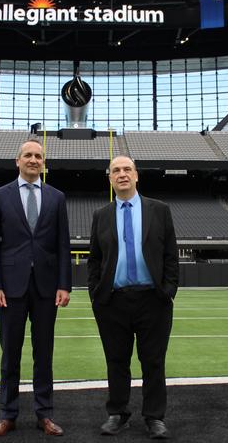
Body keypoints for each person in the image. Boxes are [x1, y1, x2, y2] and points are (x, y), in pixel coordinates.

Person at [0, 139, 72, 438]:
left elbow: (63, 245)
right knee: (10, 353)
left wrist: (64, 284)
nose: (34, 159)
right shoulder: (0, 196)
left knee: (44, 353)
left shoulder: (57, 197)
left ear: (43, 162)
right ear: (17, 161)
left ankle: (44, 414)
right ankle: (8, 415)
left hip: (47, 288)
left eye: (38, 156)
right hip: (10, 288)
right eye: (28, 155)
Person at [87, 155, 178, 439]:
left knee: (153, 361)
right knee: (116, 360)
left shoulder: (159, 210)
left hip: (153, 299)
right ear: (110, 178)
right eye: (116, 170)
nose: (122, 174)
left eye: (127, 169)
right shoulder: (101, 214)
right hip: (113, 301)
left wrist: (168, 291)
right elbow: (94, 260)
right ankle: (118, 413)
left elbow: (171, 256)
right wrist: (96, 294)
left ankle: (154, 417)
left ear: (136, 176)